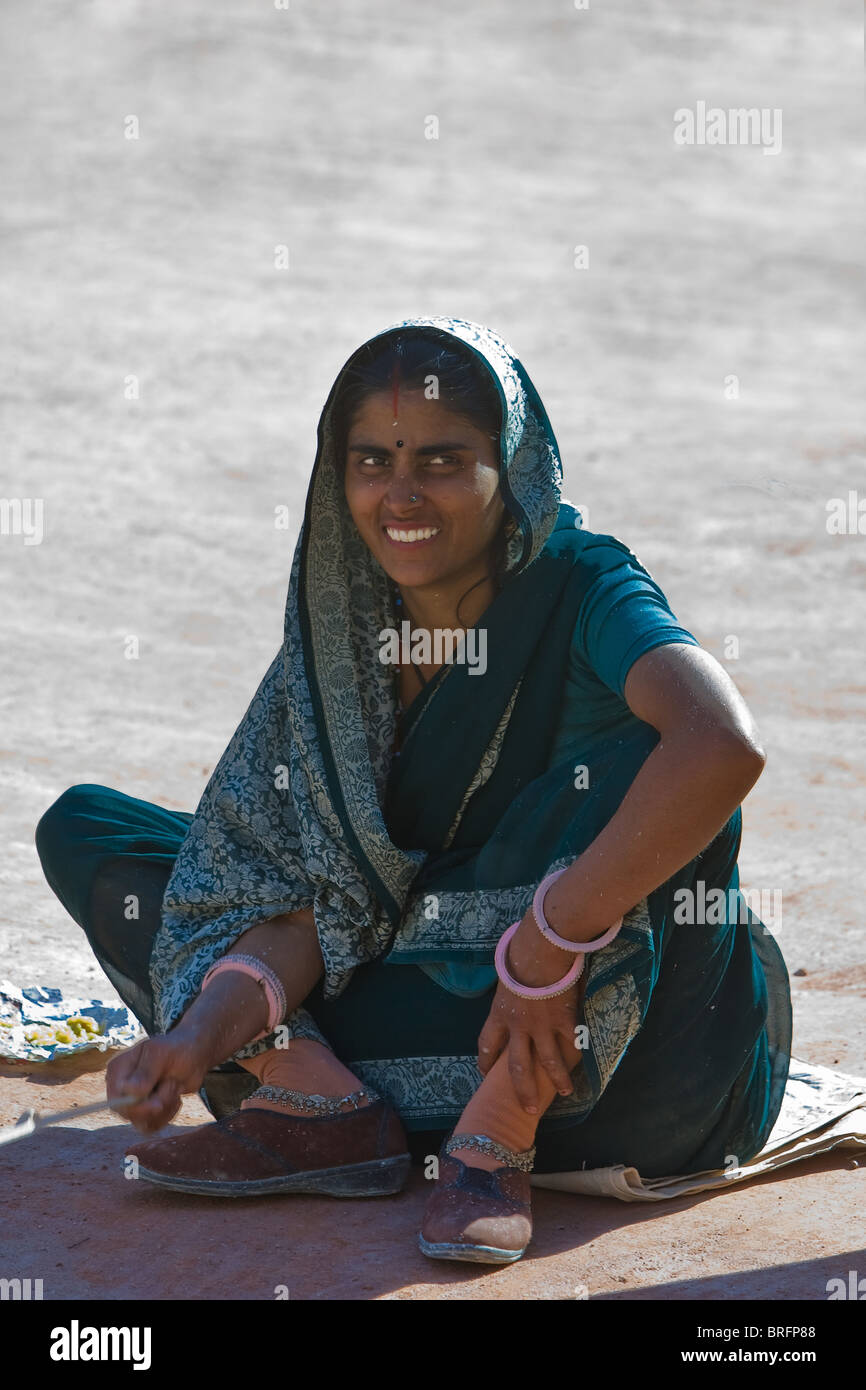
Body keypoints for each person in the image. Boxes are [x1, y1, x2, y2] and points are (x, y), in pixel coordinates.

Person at [35, 316, 791, 1265]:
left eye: (441, 460)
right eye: (371, 461)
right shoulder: (343, 627)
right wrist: (195, 1039)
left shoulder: (580, 584)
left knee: (655, 778)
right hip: (420, 982)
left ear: (510, 470)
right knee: (95, 833)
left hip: (615, 1044)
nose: (400, 495)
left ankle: (494, 1137)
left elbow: (723, 747)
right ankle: (314, 1098)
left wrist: (550, 941)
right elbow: (299, 893)